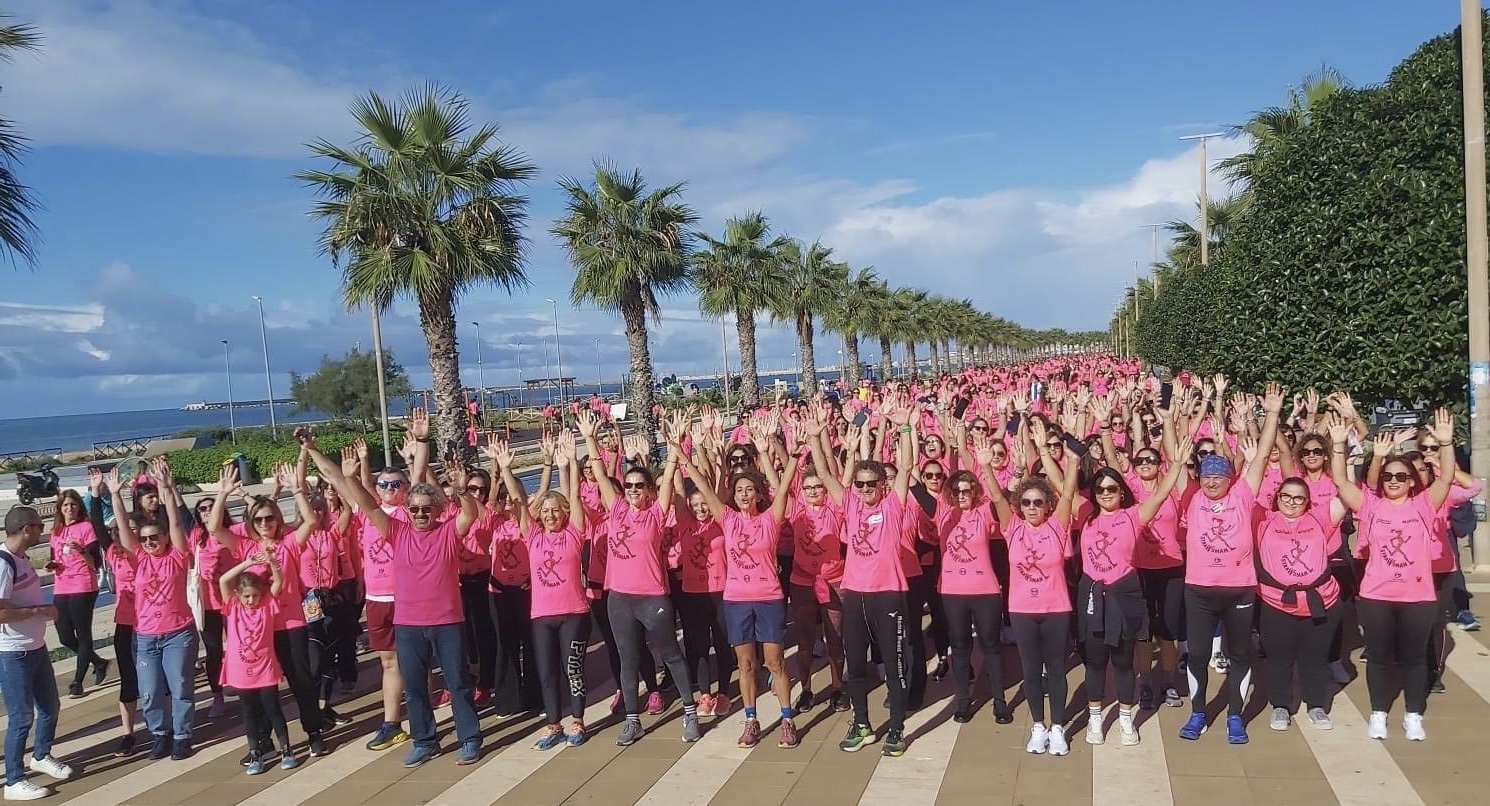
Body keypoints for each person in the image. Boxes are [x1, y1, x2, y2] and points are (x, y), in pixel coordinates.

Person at [305, 417, 484, 767]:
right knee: (415, 687)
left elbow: (470, 514)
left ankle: (470, 738)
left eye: (426, 509)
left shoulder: (448, 532)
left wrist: (460, 488)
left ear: (436, 510)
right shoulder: (397, 532)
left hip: (448, 623)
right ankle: (425, 740)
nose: (420, 514)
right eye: (414, 509)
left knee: (458, 683)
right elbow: (369, 507)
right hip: (409, 625)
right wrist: (354, 477)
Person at [1329, 402, 1458, 741]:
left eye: (1401, 476)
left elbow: (1445, 478)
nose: (1394, 481)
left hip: (1418, 598)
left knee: (1416, 660)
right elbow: (1341, 481)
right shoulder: (1371, 506)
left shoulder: (1423, 505)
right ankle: (1379, 713)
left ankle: (1414, 714)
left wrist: (1445, 444)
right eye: (1388, 476)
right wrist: (1340, 445)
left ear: (1411, 481)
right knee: (1381, 660)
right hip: (1376, 597)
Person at [576, 409, 702, 746]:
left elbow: (670, 472)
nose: (633, 490)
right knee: (628, 660)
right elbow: (602, 475)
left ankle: (690, 712)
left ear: (649, 490)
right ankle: (634, 720)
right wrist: (590, 438)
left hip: (652, 598)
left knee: (671, 655)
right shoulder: (615, 509)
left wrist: (674, 446)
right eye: (629, 485)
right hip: (620, 599)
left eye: (639, 486)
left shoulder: (656, 515)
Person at [1176, 381, 1283, 745]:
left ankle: (1235, 715)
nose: (1211, 482)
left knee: (1239, 653)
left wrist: (1270, 414)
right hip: (1200, 592)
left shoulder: (1242, 494)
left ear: (1229, 478)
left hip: (1239, 589)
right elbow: (1177, 456)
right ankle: (1198, 712)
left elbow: (1264, 452)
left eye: (1218, 477)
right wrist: (1175, 414)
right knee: (1199, 654)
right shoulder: (1190, 497)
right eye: (1206, 477)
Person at [108, 460, 198, 761]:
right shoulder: (138, 559)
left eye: (153, 538)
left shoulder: (177, 556)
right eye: (143, 539)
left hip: (178, 633)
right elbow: (122, 527)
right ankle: (160, 734)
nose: (148, 542)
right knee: (149, 691)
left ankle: (182, 736)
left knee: (181, 686)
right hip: (146, 637)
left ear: (163, 539)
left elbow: (174, 522)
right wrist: (114, 495)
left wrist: (164, 487)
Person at [1, 505, 72, 801]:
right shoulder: (4, 564)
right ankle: (14, 780)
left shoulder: (21, 558)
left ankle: (41, 755)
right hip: (13, 653)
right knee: (21, 717)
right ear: (26, 529)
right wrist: (39, 611)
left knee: (51, 706)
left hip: (35, 647)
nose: (42, 531)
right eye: (38, 526)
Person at [217, 543, 299, 775]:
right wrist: (249, 563)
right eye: (247, 596)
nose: (251, 600)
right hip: (240, 670)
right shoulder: (233, 606)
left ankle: (286, 749)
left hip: (265, 668)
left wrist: (272, 561)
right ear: (238, 595)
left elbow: (279, 582)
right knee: (249, 712)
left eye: (254, 596)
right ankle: (255, 751)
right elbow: (224, 580)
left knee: (273, 708)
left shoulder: (266, 604)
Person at [47, 480, 110, 699]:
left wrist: (82, 551)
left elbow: (96, 563)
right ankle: (98, 661)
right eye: (65, 505)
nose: (69, 508)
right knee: (64, 636)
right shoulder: (56, 531)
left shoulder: (86, 528)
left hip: (83, 584)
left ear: (78, 507)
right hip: (61, 585)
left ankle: (77, 682)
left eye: (73, 505)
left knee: (83, 634)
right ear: (60, 508)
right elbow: (55, 558)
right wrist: (52, 565)